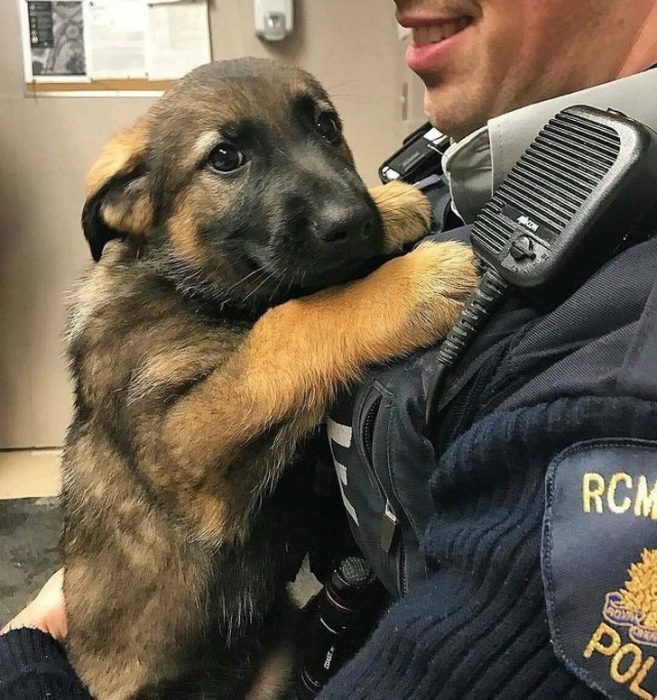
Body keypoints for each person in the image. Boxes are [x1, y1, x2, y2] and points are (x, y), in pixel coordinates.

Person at [2, 1, 657, 698]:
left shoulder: (612, 388)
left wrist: (23, 661)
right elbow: (188, 466)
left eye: (322, 125)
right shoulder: (467, 164)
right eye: (226, 159)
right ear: (131, 205)